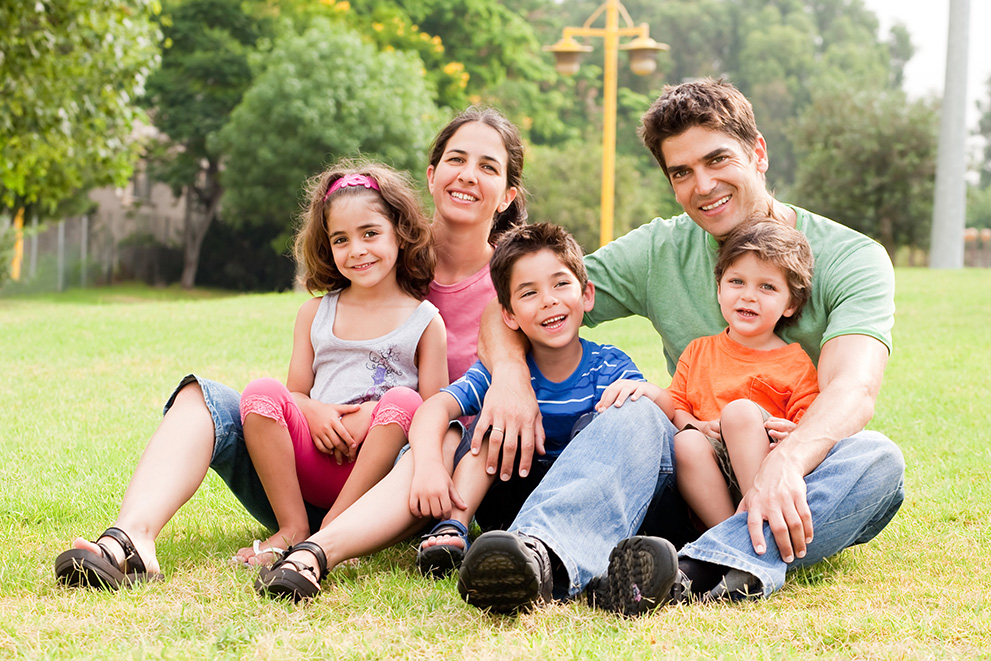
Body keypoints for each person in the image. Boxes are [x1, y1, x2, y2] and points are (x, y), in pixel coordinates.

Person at [459, 77, 905, 616]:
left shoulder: (852, 257)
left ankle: (696, 569)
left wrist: (785, 460)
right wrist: (508, 379)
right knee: (633, 409)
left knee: (878, 460)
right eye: (682, 172)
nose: (704, 185)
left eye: (718, 160)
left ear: (757, 153)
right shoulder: (658, 248)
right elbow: (509, 307)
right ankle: (543, 558)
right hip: (691, 468)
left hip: (803, 474)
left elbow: (853, 388)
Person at [53, 105, 526, 591]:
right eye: (456, 159)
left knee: (425, 424)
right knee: (203, 398)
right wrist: (310, 409)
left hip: (404, 483)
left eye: (488, 166)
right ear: (431, 175)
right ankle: (131, 541)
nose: (468, 175)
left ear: (509, 194)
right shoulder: (379, 252)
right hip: (304, 468)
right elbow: (295, 385)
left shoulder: (516, 287)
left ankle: (323, 545)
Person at [406, 223, 664, 586]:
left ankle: (568, 548)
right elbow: (435, 408)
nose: (549, 300)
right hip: (512, 490)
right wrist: (430, 465)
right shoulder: (500, 376)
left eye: (561, 284)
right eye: (529, 293)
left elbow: (650, 420)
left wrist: (650, 394)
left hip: (584, 498)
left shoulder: (607, 366)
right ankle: (453, 526)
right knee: (493, 426)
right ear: (508, 315)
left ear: (586, 295)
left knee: (605, 421)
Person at [234, 161, 447, 566]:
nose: (357, 250)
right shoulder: (315, 314)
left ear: (400, 235)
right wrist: (312, 410)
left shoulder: (425, 321)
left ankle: (337, 529)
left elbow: (435, 414)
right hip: (313, 460)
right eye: (341, 239)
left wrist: (377, 413)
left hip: (379, 477)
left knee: (404, 400)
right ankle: (293, 527)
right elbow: (294, 391)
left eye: (370, 233)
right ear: (327, 247)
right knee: (261, 391)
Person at [670, 217, 819, 531]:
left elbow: (806, 429)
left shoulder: (795, 362)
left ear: (790, 303)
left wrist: (791, 435)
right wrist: (696, 424)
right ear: (720, 289)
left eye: (767, 287)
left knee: (738, 413)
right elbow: (675, 408)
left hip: (764, 470)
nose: (749, 296)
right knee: (686, 443)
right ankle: (728, 536)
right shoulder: (698, 351)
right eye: (737, 282)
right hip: (710, 479)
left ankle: (758, 515)